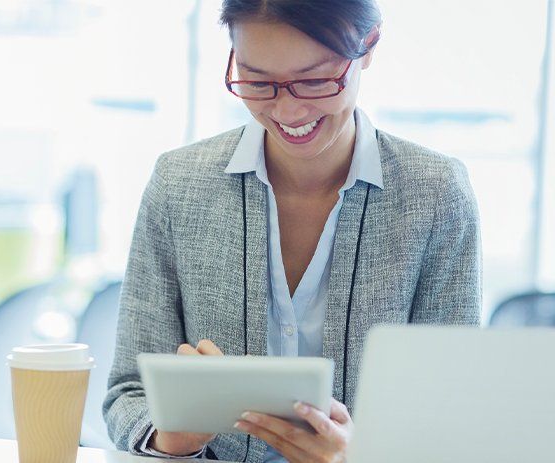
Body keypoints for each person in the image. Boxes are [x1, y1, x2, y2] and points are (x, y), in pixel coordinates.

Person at [103, 1, 481, 462]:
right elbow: (128, 393)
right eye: (257, 82)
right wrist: (171, 437)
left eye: (316, 80)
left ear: (369, 46)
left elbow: (453, 418)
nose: (287, 109)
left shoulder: (437, 194)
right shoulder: (177, 184)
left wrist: (359, 456)